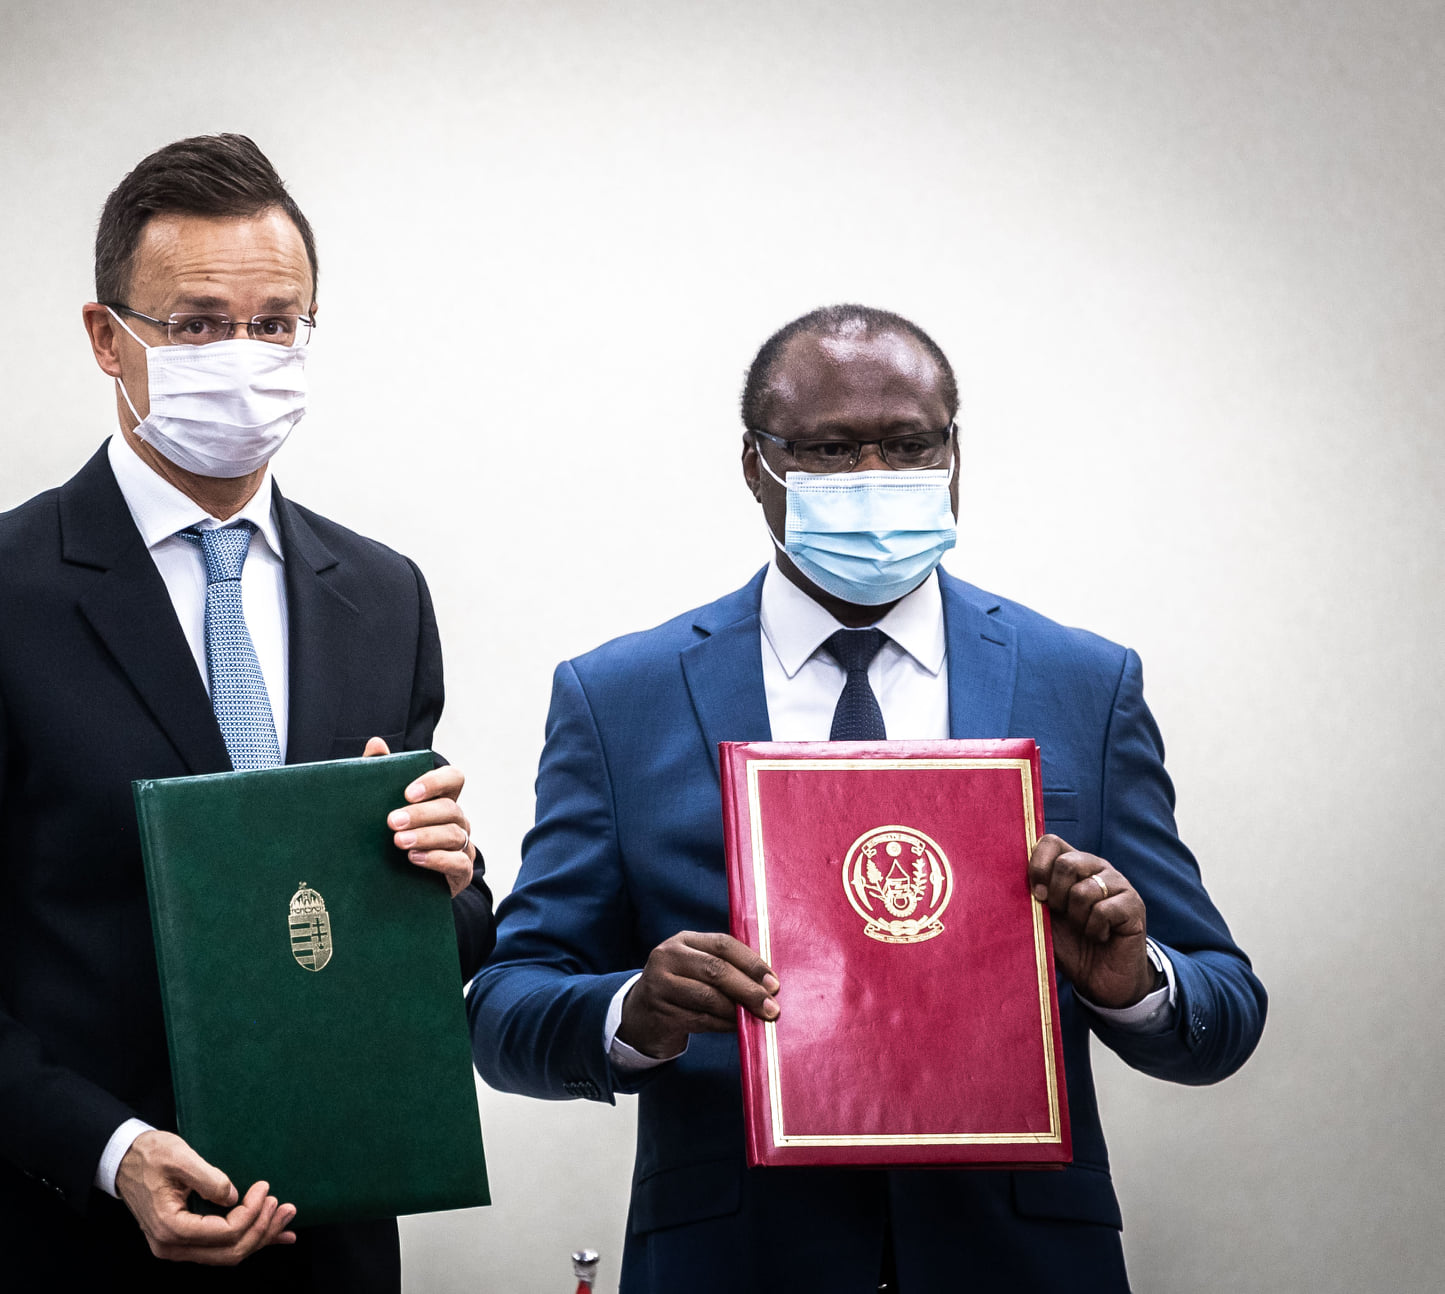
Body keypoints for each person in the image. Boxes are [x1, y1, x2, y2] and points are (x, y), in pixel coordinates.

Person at [467, 304, 1265, 1292]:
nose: (876, 476)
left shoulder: (1083, 683)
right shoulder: (620, 698)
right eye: (831, 450)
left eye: (911, 445)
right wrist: (636, 1011)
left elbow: (1226, 1011)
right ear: (756, 465)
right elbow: (506, 1010)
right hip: (737, 1261)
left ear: (955, 454)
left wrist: (1133, 980)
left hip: (1018, 1260)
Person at [0, 134, 495, 1293]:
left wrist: (452, 882)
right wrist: (110, 1149)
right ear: (108, 338)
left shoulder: (382, 594)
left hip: (329, 1237)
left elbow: (432, 941)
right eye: (196, 324)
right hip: (70, 1242)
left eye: (275, 323)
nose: (242, 354)